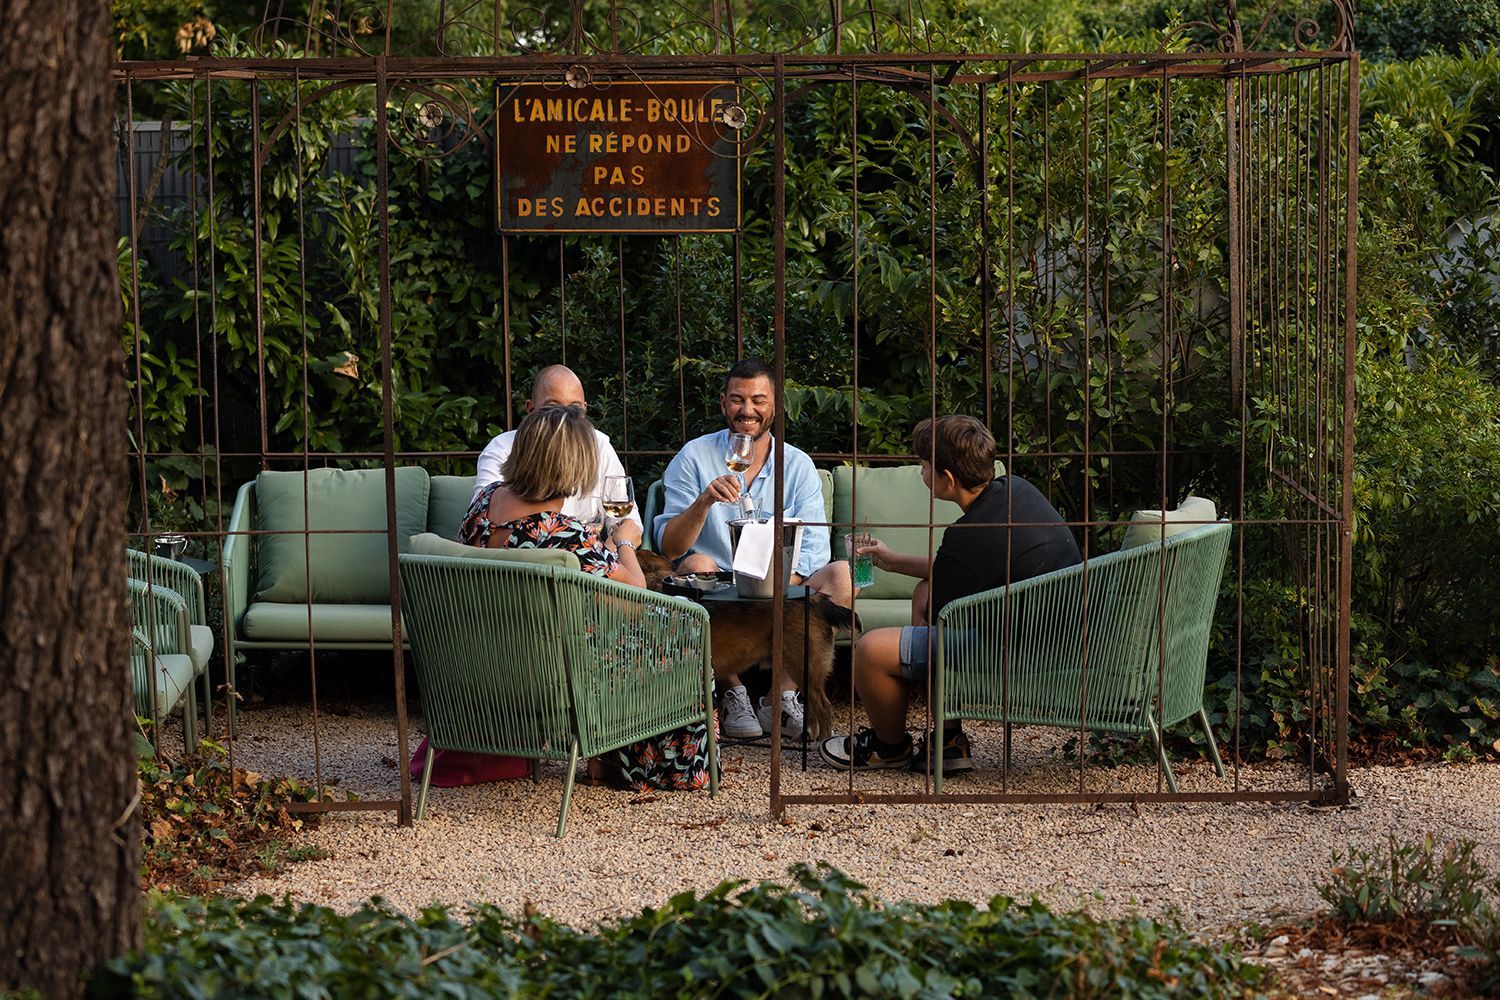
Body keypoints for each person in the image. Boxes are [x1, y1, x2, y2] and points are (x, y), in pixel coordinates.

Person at [455, 405, 712, 792]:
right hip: (557, 675)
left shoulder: (482, 508)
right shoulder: (565, 534)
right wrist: (624, 540)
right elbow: (634, 596)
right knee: (684, 636)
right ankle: (662, 769)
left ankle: (608, 761)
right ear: (573, 467)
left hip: (485, 665)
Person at [819, 415, 1083, 775]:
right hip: (1055, 630)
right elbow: (950, 569)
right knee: (924, 590)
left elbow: (939, 617)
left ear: (948, 478)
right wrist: (892, 562)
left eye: (924, 465)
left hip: (1021, 654)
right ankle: (947, 742)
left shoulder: (966, 536)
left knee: (870, 649)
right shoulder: (1016, 490)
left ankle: (889, 747)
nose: (921, 473)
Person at [655, 358, 851, 741]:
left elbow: (813, 548)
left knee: (842, 575)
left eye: (758, 400)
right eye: (738, 399)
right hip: (719, 586)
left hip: (779, 583)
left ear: (775, 405)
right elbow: (670, 547)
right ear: (723, 403)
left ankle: (782, 696)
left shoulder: (796, 465)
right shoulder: (693, 457)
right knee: (696, 561)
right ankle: (732, 692)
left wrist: (770, 584)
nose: (748, 410)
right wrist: (705, 501)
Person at [473, 364, 643, 548]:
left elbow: (626, 524)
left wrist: (604, 563)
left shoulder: (599, 444)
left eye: (574, 409)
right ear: (530, 409)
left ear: (584, 411)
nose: (564, 418)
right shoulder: (502, 449)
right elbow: (484, 519)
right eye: (552, 408)